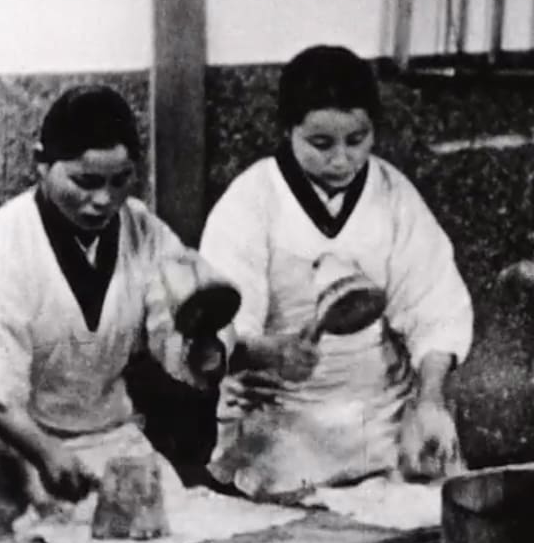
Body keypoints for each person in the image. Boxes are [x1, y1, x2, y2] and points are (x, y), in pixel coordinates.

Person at [0, 85, 228, 532]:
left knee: (178, 541)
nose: (104, 200)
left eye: (121, 181)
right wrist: (43, 451)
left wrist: (200, 351)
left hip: (107, 439)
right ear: (41, 163)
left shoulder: (143, 232)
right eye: (86, 181)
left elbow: (174, 317)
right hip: (9, 451)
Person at [200, 45, 473, 499]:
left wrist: (430, 400)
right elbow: (221, 327)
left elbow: (436, 307)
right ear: (288, 130)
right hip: (281, 430)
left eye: (358, 139)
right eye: (321, 144)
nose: (342, 159)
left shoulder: (393, 194)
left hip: (381, 424)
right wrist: (266, 351)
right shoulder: (251, 200)